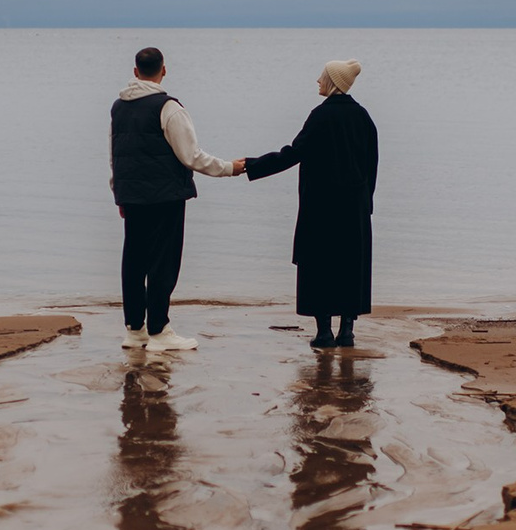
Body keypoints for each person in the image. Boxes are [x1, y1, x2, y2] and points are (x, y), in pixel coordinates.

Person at [111, 45, 244, 353]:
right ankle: (159, 331)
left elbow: (114, 153)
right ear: (164, 70)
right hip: (165, 197)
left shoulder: (118, 107)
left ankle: (134, 330)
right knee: (163, 262)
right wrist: (229, 169)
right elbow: (191, 156)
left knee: (133, 260)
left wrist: (118, 192)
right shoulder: (168, 107)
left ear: (135, 72)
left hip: (131, 196)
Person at [244, 59, 377, 348]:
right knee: (350, 265)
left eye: (323, 76)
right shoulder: (364, 117)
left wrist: (251, 166)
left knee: (319, 264)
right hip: (354, 205)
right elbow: (371, 166)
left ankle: (324, 332)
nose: (318, 80)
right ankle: (347, 331)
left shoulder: (320, 116)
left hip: (321, 204)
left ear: (334, 81)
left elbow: (293, 154)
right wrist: (367, 203)